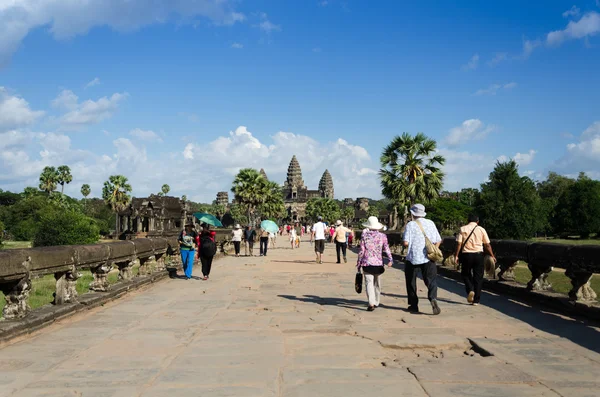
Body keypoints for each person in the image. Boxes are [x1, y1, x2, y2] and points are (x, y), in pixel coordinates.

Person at [402, 204, 442, 315]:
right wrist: (434, 249)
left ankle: (414, 305)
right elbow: (438, 240)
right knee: (431, 280)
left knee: (411, 281)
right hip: (428, 257)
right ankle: (433, 298)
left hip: (413, 257)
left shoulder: (410, 224)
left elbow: (406, 242)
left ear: (413, 213)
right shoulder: (431, 223)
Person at [454, 214, 496, 306]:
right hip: (478, 255)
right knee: (478, 277)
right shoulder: (481, 229)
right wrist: (492, 255)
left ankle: (470, 289)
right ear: (477, 221)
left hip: (466, 255)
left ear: (468, 220)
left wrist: (456, 255)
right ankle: (476, 300)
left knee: (465, 274)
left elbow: (458, 244)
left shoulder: (462, 229)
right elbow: (487, 245)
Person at [357, 216, 393, 311]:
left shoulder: (364, 236)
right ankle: (376, 301)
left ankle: (371, 303)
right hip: (378, 263)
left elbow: (361, 251)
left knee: (369, 283)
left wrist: (359, 263)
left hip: (367, 262)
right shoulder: (383, 236)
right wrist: (390, 259)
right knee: (377, 283)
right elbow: (387, 249)